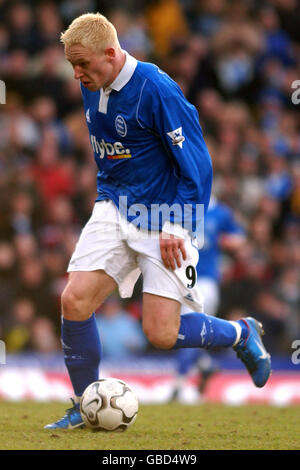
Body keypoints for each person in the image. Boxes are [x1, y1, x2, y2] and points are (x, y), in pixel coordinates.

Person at [44, 13, 271, 429]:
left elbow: (199, 168)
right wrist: (108, 198)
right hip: (115, 205)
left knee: (161, 334)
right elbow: (111, 150)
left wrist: (177, 225)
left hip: (166, 214)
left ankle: (241, 333)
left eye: (82, 65)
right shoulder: (90, 83)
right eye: (72, 66)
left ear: (110, 55)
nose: (75, 74)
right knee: (74, 300)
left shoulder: (158, 90)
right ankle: (84, 403)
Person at [171, 196, 246, 402]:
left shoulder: (220, 212)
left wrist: (225, 242)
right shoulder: (180, 207)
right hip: (179, 279)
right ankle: (206, 365)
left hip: (205, 281)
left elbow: (239, 237)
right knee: (180, 330)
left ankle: (178, 384)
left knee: (188, 328)